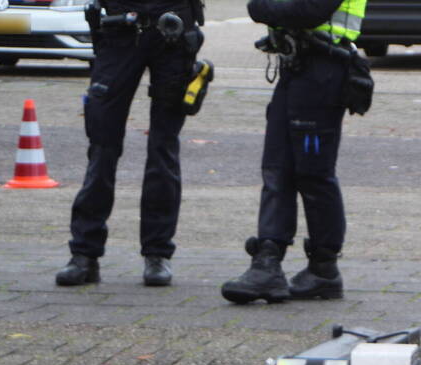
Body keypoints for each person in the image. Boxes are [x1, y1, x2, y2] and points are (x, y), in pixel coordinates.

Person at [220, 0, 367, 303]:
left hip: (324, 68)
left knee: (313, 174)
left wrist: (265, 8)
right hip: (297, 65)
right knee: (277, 167)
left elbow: (308, 10)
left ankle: (324, 268)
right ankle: (268, 260)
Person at [55, 0, 205, 287]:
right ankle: (84, 253)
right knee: (102, 145)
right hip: (119, 28)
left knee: (163, 148)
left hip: (173, 30)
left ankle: (157, 253)